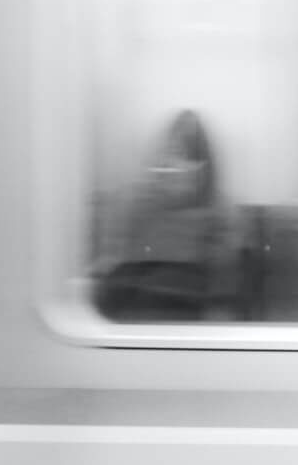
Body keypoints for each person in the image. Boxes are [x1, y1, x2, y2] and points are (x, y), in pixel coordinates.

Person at [94, 109, 240, 322]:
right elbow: (114, 281)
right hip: (136, 322)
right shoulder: (137, 204)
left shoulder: (220, 214)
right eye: (170, 154)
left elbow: (223, 294)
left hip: (192, 327)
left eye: (186, 156)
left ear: (203, 167)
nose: (174, 165)